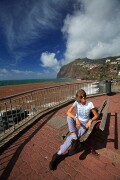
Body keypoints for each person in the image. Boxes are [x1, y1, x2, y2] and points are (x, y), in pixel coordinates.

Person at [49, 89, 99, 170]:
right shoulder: (76, 103)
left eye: (84, 96)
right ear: (78, 98)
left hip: (84, 125)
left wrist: (90, 120)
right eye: (81, 97)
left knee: (70, 138)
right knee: (69, 117)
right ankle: (74, 136)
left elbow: (96, 115)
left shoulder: (90, 104)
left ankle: (58, 154)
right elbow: (68, 112)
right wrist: (76, 119)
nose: (84, 98)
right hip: (77, 122)